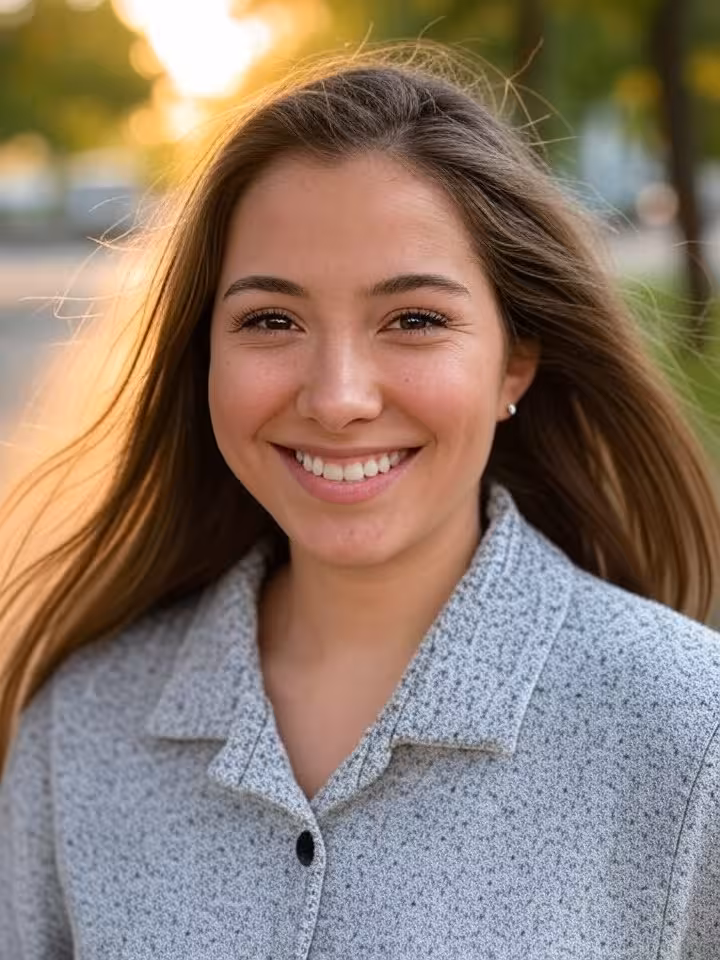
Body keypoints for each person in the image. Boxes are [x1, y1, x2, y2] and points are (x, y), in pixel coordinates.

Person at [0, 43, 719, 959]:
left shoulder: (691, 732)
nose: (338, 397)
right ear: (204, 356)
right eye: (271, 320)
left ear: (514, 359)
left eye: (414, 320)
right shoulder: (81, 729)